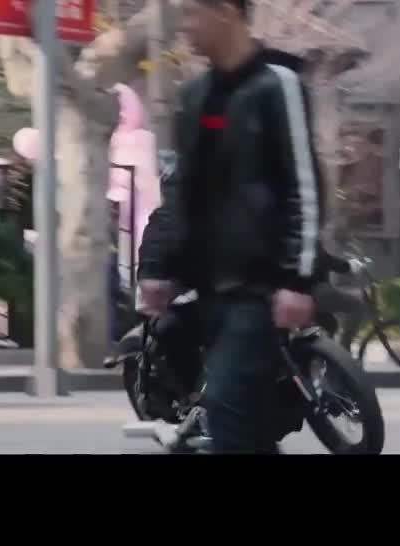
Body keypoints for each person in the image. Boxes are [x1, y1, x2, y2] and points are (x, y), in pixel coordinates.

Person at [137, 0, 324, 454]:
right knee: (247, 432)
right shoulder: (194, 96)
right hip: (206, 289)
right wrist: (157, 267)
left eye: (192, 13)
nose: (184, 26)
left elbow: (304, 185)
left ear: (226, 11)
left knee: (228, 415)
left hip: (258, 290)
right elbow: (181, 190)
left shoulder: (277, 85)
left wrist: (297, 279)